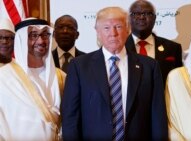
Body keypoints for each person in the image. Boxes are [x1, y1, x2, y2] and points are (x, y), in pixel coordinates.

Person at [62, 7, 168, 140]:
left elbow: (158, 117)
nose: (113, 33)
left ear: (128, 29)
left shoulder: (150, 67)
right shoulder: (79, 66)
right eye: (106, 28)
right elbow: (70, 117)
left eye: (118, 26)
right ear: (98, 32)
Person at [0, 18, 66, 141]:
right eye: (33, 35)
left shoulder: (61, 77)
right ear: (21, 39)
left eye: (45, 34)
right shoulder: (3, 78)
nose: (41, 41)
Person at [125, 0, 183, 87]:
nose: (141, 17)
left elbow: (178, 82)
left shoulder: (173, 48)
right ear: (129, 18)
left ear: (155, 18)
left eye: (147, 13)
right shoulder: (120, 47)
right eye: (136, 13)